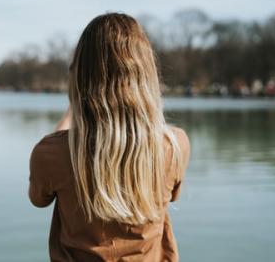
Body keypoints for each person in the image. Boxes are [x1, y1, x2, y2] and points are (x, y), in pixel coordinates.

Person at [28, 13, 191, 262]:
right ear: (146, 76)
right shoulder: (174, 146)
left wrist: (73, 108)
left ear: (80, 78)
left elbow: (38, 199)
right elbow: (172, 195)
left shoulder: (51, 153)